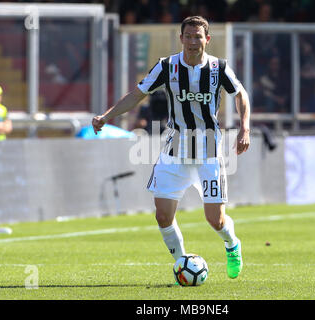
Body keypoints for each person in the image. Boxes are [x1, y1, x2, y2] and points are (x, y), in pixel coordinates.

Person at [92, 16, 250, 281]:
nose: (192, 42)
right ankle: (182, 265)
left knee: (216, 220)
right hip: (174, 149)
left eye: (197, 37)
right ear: (181, 39)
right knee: (163, 215)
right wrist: (107, 116)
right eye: (187, 36)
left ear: (206, 40)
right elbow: (137, 94)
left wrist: (245, 128)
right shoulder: (167, 67)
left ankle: (232, 244)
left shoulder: (219, 68)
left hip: (208, 150)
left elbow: (240, 94)